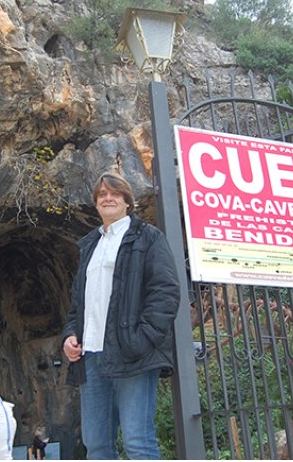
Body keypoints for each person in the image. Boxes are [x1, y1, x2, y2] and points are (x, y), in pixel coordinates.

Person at [61, 172, 180, 459]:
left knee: (137, 441)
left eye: (115, 193)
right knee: (96, 443)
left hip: (132, 352)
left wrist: (141, 339)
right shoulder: (89, 245)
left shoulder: (148, 238)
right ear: (96, 203)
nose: (108, 198)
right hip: (91, 354)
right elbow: (79, 302)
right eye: (102, 194)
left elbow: (166, 292)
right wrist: (69, 335)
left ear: (128, 201)